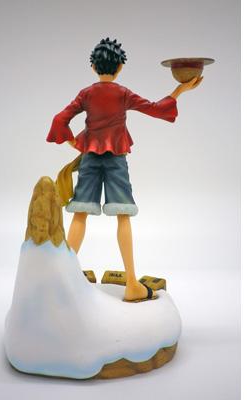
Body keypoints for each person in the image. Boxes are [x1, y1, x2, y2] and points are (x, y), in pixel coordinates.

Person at [46, 38, 202, 301]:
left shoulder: (86, 94)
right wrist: (179, 90)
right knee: (123, 216)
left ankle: (63, 279)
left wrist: (75, 142)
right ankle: (131, 283)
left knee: (80, 215)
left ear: (93, 66)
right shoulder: (123, 93)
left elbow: (59, 119)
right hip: (116, 159)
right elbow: (155, 109)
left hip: (90, 158)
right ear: (120, 68)